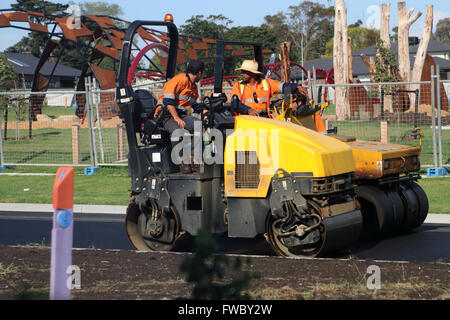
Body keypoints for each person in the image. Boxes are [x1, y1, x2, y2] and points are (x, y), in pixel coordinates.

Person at [155, 59, 205, 173]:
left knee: (199, 125)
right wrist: (176, 118)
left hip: (180, 115)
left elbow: (197, 106)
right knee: (179, 132)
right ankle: (183, 164)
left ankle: (195, 160)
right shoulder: (179, 80)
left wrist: (206, 113)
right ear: (199, 73)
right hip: (166, 115)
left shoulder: (193, 87)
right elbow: (168, 101)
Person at [231, 60, 309, 115]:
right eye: (242, 72)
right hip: (247, 121)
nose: (242, 74)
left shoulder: (267, 83)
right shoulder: (238, 86)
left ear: (252, 73)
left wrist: (297, 86)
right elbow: (234, 103)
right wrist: (248, 110)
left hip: (265, 119)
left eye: (244, 72)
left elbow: (283, 86)